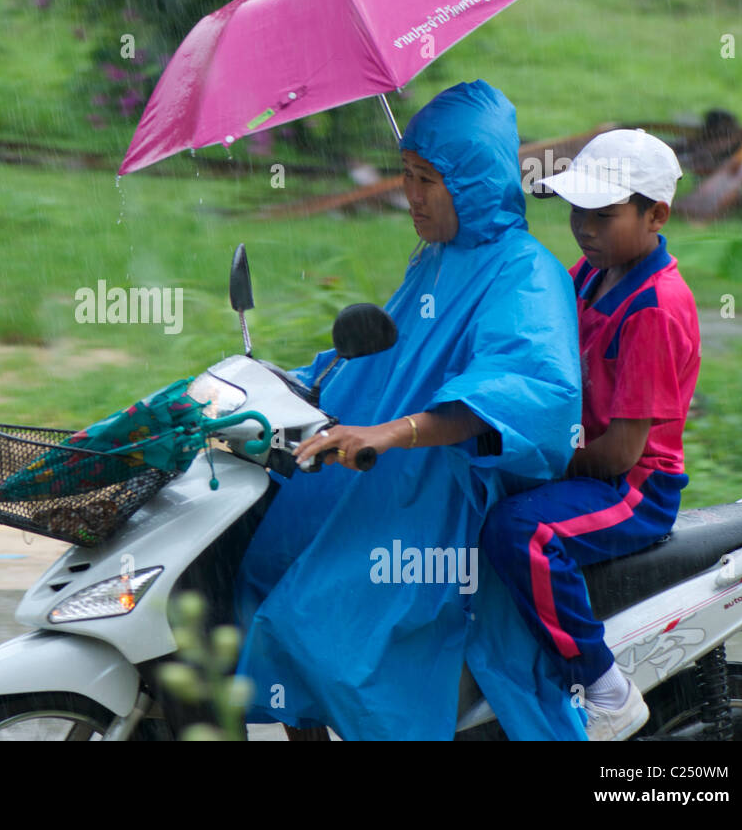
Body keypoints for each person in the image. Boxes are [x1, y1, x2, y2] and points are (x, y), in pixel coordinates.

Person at [233, 80, 586, 739]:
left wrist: (396, 431)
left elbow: (533, 386)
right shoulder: (437, 260)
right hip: (381, 468)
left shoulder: (526, 273)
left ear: (477, 182)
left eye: (428, 178)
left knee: (321, 624)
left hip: (441, 494)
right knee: (264, 560)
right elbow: (382, 352)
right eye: (405, 174)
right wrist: (285, 380)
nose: (411, 194)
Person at [479, 129, 700, 741]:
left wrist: (546, 460)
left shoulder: (653, 307)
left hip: (633, 487)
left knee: (519, 529)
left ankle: (604, 684)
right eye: (577, 212)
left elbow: (623, 452)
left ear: (655, 214)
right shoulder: (589, 275)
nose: (585, 228)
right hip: (586, 459)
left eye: (603, 216)